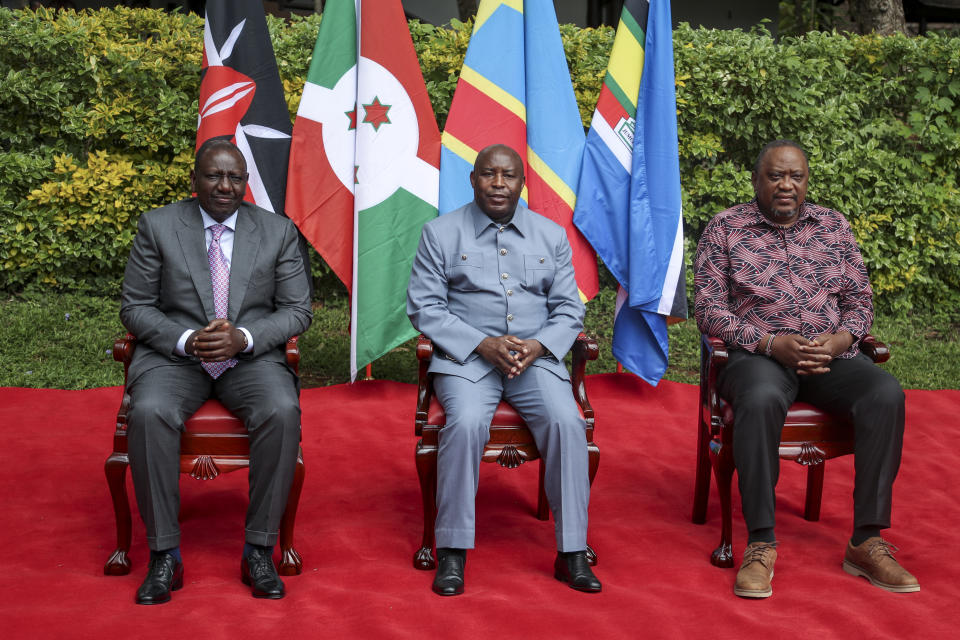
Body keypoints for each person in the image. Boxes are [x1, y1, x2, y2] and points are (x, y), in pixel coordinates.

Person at [694, 139, 918, 598]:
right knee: (758, 399)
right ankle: (761, 543)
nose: (786, 185)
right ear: (757, 181)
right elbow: (709, 309)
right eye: (775, 176)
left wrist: (838, 341)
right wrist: (772, 343)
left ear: (806, 181)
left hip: (828, 355)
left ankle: (867, 541)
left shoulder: (833, 227)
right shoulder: (726, 228)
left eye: (795, 176)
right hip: (759, 355)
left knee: (885, 393)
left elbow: (859, 302)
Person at [119, 139, 312, 604]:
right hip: (176, 357)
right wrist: (186, 340)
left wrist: (243, 338)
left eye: (235, 178)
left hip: (248, 359)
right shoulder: (158, 226)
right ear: (194, 180)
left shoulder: (278, 231)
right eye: (214, 176)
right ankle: (165, 555)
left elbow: (297, 310)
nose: (225, 186)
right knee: (148, 412)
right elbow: (136, 306)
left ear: (246, 183)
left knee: (282, 410)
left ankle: (259, 550)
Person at [406, 144, 600, 596]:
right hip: (467, 361)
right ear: (472, 180)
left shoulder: (550, 235)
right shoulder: (440, 233)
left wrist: (538, 345)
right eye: (488, 174)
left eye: (508, 175)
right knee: (467, 422)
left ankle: (571, 551)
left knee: (566, 421)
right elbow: (424, 307)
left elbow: (569, 310)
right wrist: (481, 343)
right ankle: (452, 552)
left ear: (521, 183)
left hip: (534, 360)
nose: (498, 183)